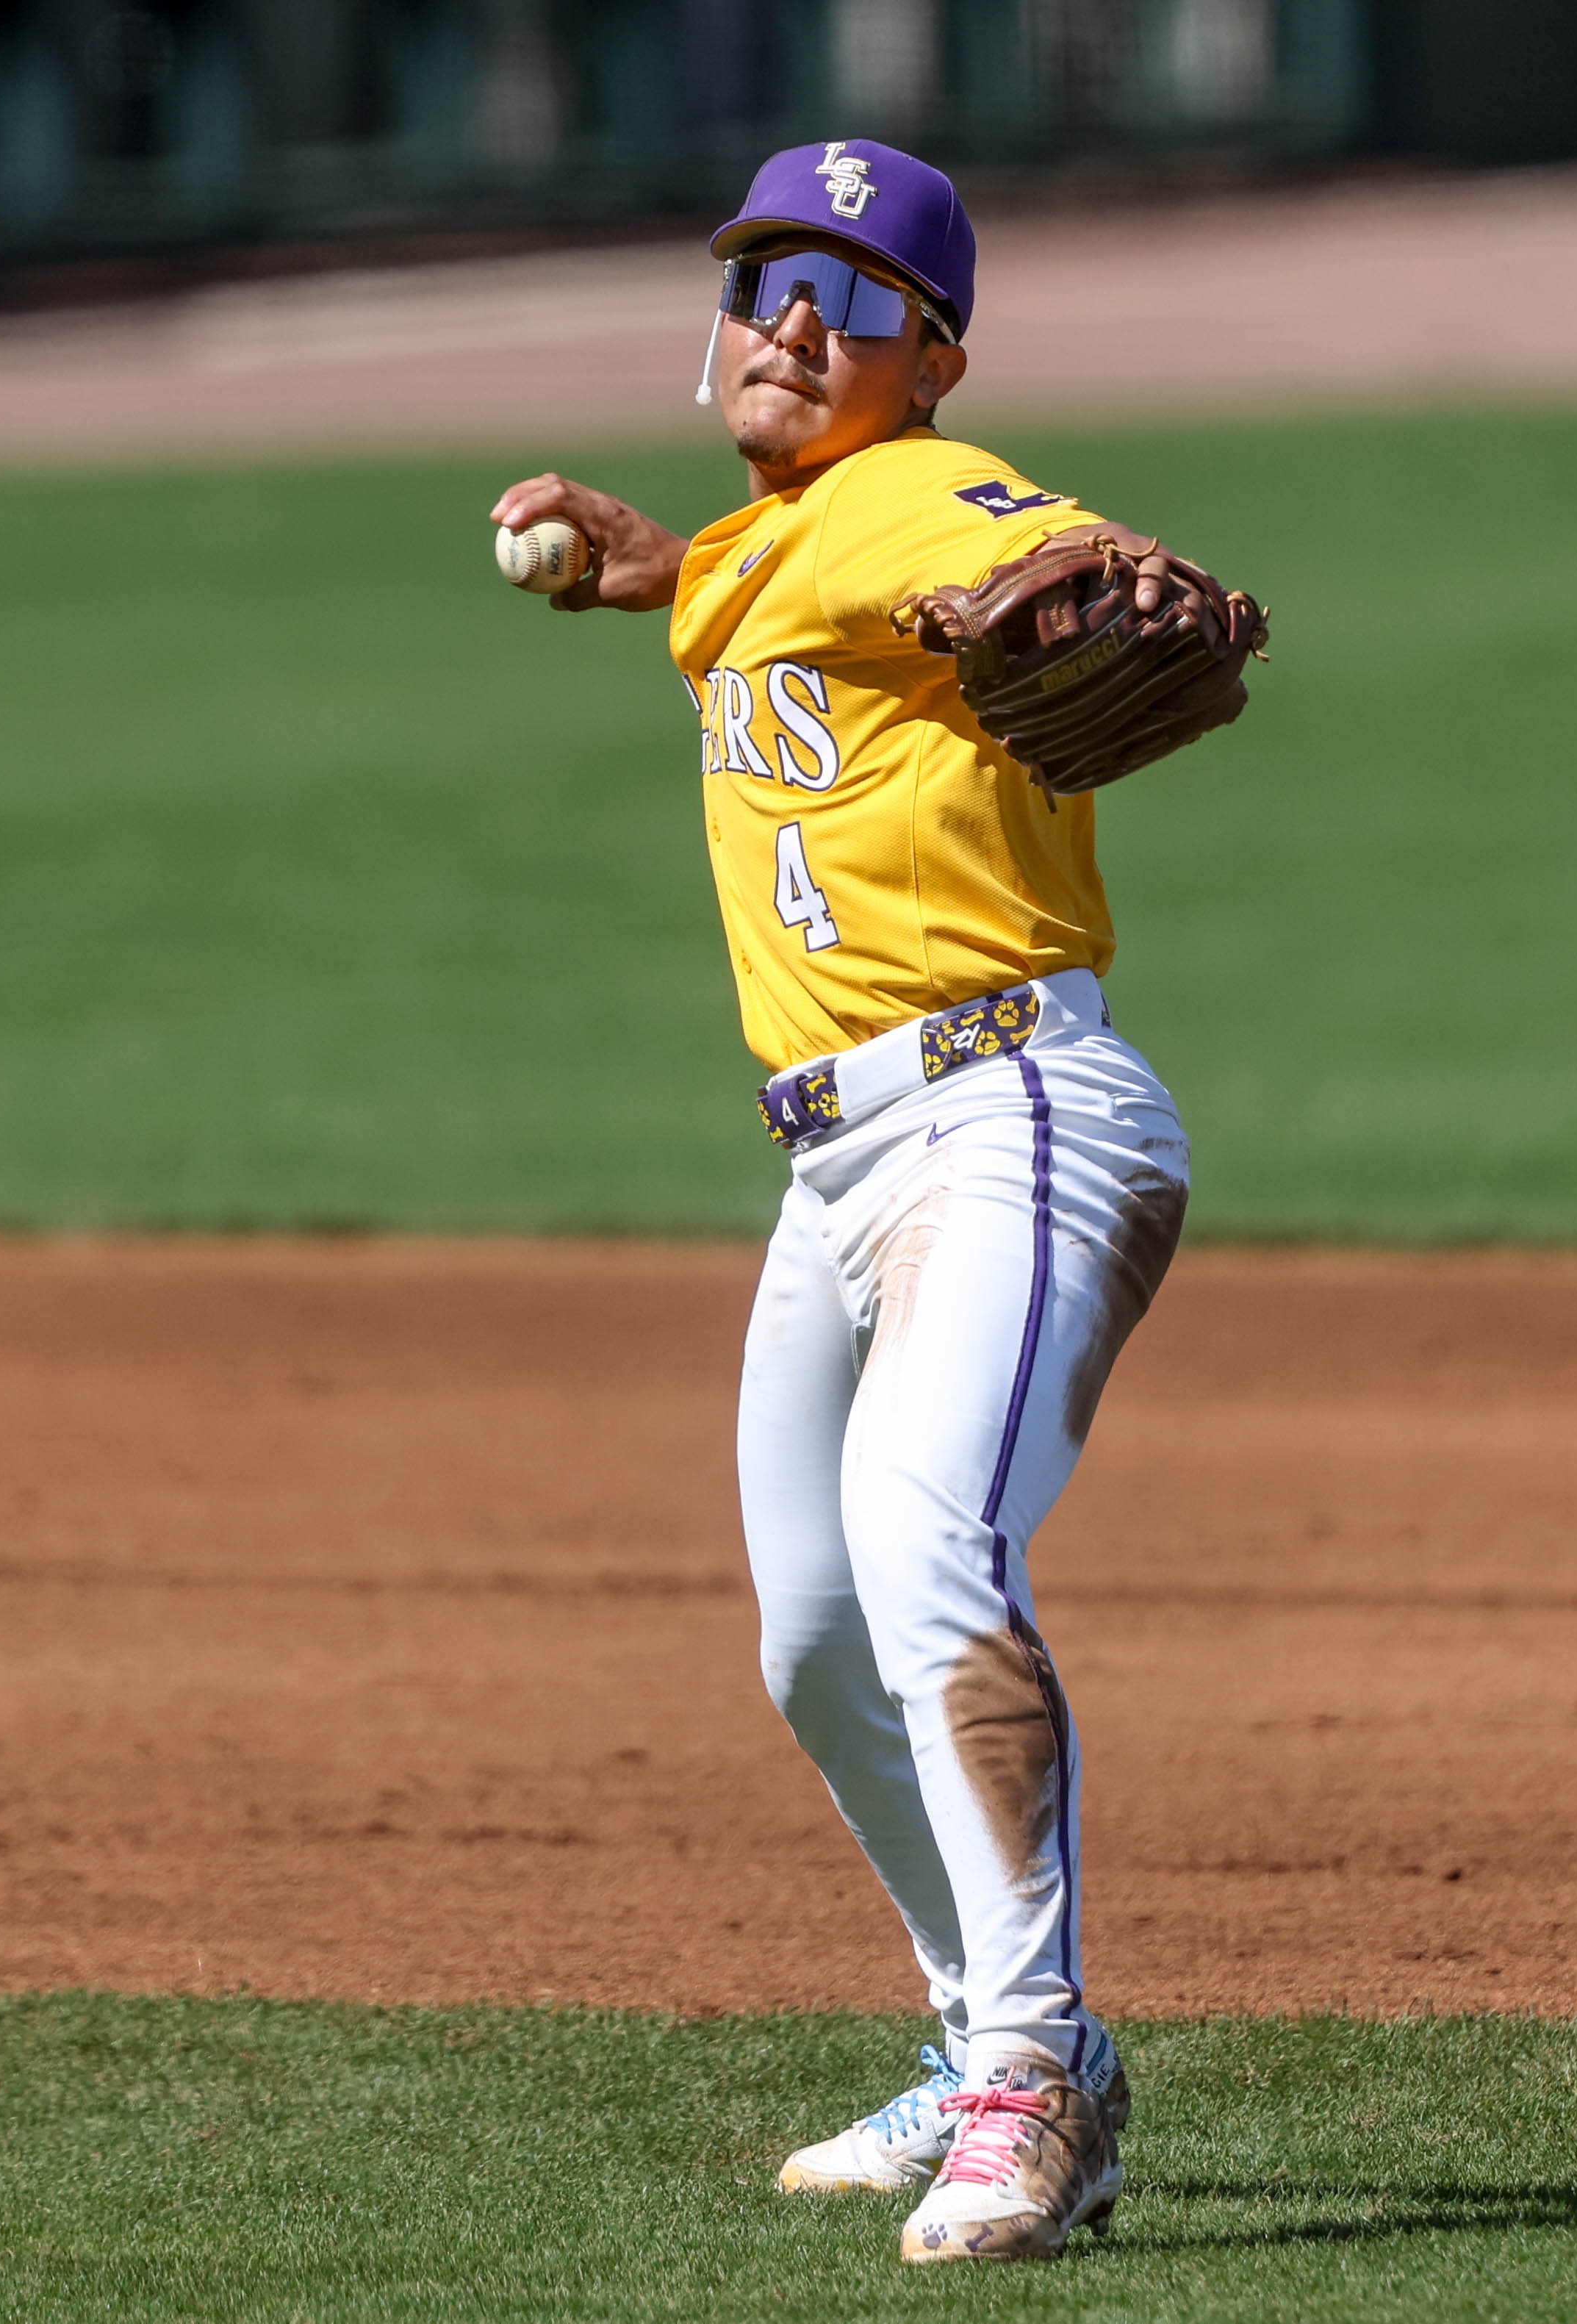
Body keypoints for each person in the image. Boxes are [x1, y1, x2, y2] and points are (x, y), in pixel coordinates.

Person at [492, 137, 1232, 2265]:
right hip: (842, 1167)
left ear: (935, 355)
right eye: (764, 280)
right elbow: (770, 588)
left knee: (926, 1554)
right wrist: (653, 566)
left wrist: (1095, 580)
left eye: (854, 295)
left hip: (1010, 1116)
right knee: (817, 1641)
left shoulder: (919, 488)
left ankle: (1035, 2073)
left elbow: (1043, 549)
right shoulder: (779, 534)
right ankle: (991, 2039)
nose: (793, 321)